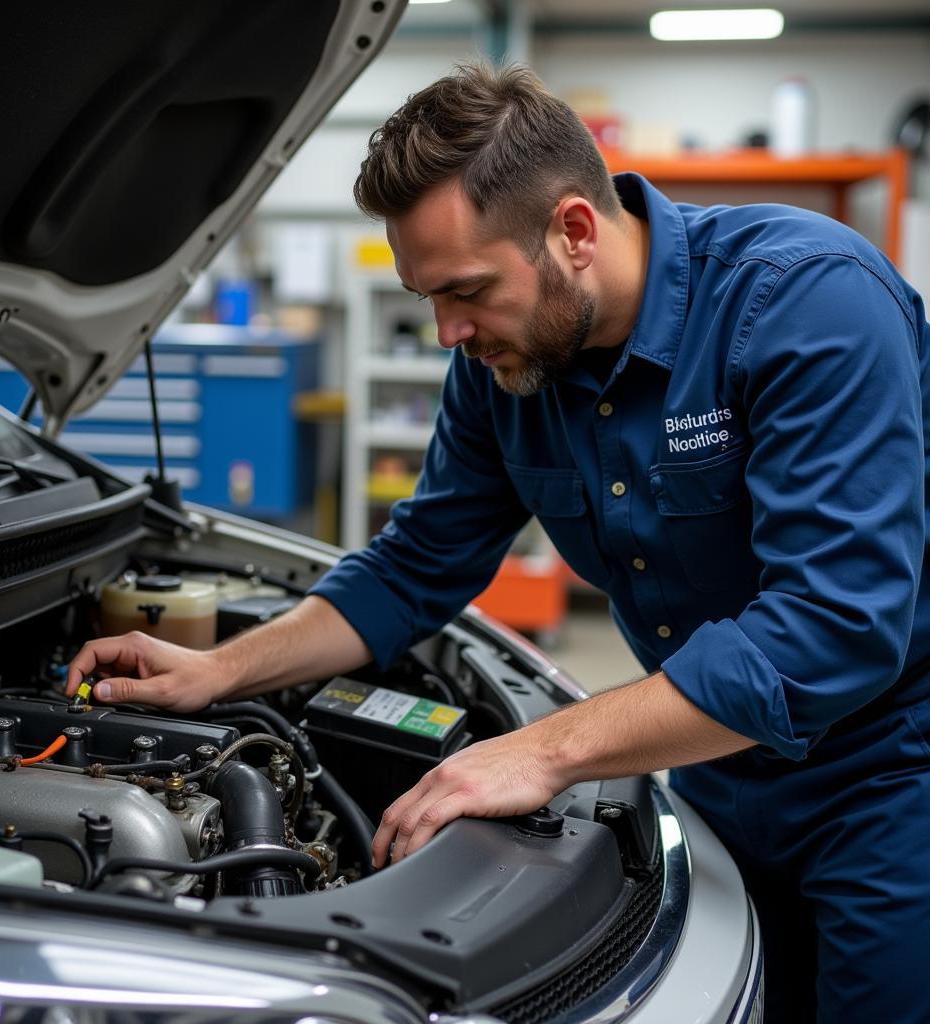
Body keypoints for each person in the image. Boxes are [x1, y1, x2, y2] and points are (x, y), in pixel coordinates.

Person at [67, 65, 930, 1022]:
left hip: (893, 778)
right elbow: (412, 567)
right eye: (426, 296)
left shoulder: (806, 301)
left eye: (467, 290)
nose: (447, 332)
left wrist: (547, 750)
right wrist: (219, 673)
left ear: (572, 231)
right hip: (718, 765)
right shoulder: (504, 365)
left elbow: (832, 630)